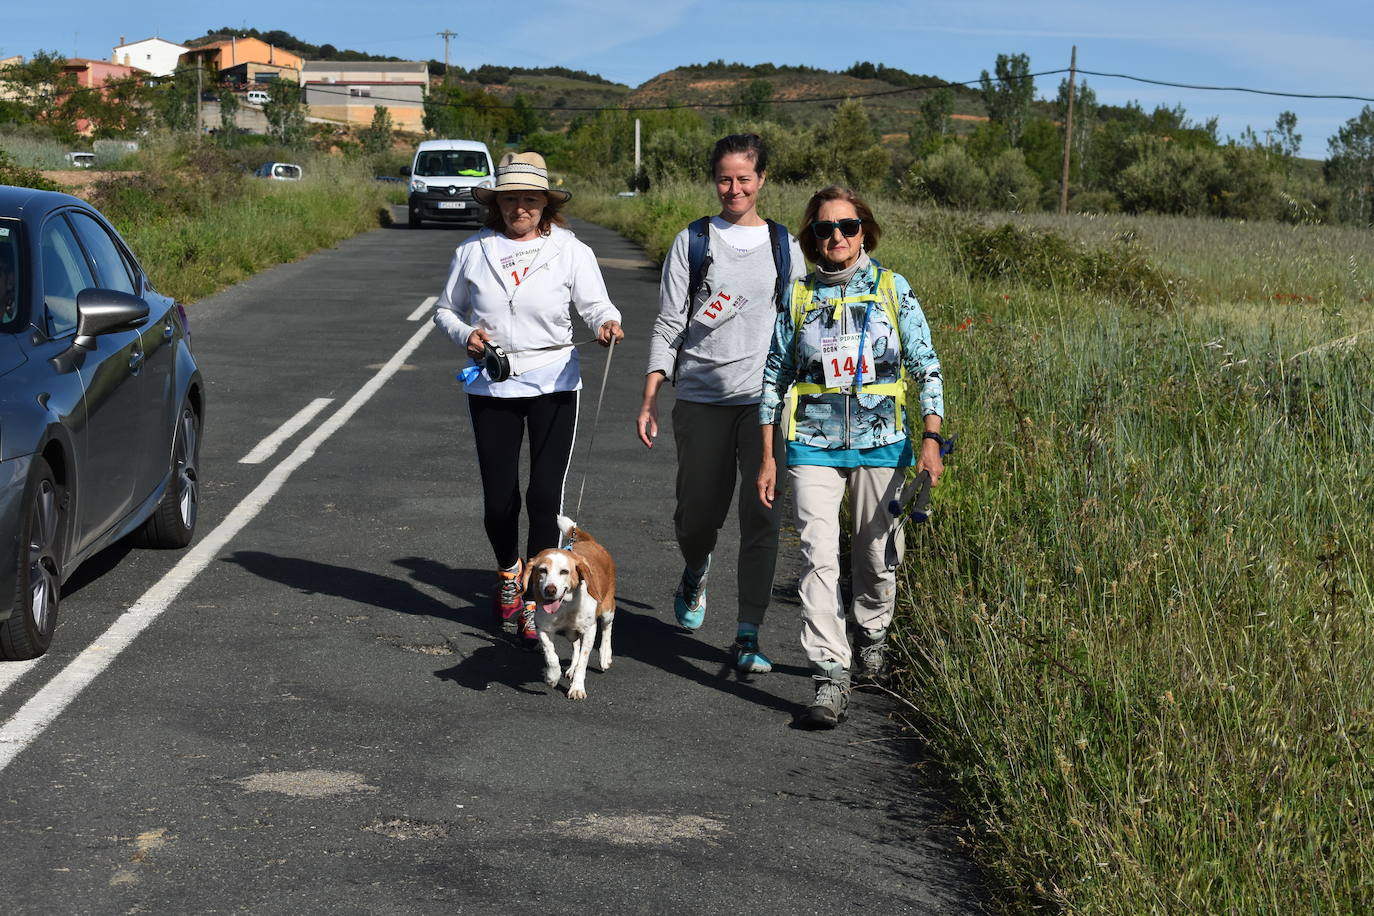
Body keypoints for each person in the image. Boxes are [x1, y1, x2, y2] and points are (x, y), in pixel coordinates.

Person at [757, 186, 945, 728]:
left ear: (865, 229)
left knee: (875, 554)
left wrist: (931, 439)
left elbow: (925, 366)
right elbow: (774, 377)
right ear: (811, 238)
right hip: (811, 446)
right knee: (819, 556)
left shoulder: (892, 289)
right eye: (823, 228)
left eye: (847, 226)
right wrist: (769, 456)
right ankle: (829, 676)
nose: (836, 236)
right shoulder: (797, 296)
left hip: (882, 442)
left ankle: (873, 633)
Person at [434, 151, 624, 648]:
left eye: (530, 199)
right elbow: (444, 311)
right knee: (500, 500)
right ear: (497, 203)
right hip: (492, 383)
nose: (521, 207)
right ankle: (507, 576)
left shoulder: (569, 249)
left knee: (544, 497)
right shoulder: (473, 250)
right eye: (511, 199)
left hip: (554, 382)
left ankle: (539, 603)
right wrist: (465, 335)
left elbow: (594, 302)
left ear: (545, 203)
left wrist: (605, 321)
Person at [638, 134, 806, 674]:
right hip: (702, 398)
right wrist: (650, 395)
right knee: (697, 518)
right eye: (725, 179)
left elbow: (802, 322)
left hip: (766, 407)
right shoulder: (693, 241)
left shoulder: (786, 247)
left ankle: (748, 634)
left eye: (745, 178)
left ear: (762, 181)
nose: (734, 188)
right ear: (715, 180)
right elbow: (668, 321)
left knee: (762, 520)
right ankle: (696, 567)